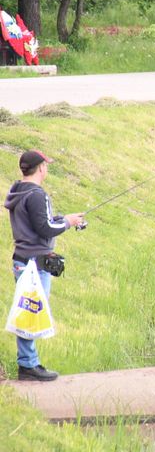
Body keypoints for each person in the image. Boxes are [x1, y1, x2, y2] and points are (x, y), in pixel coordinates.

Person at [4, 150, 84, 381]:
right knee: (31, 311)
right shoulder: (37, 194)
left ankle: (28, 363)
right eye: (46, 165)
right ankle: (28, 365)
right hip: (34, 264)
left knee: (28, 309)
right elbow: (45, 229)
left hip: (23, 260)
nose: (46, 168)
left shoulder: (19, 190)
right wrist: (67, 222)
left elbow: (40, 222)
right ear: (41, 168)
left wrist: (64, 219)